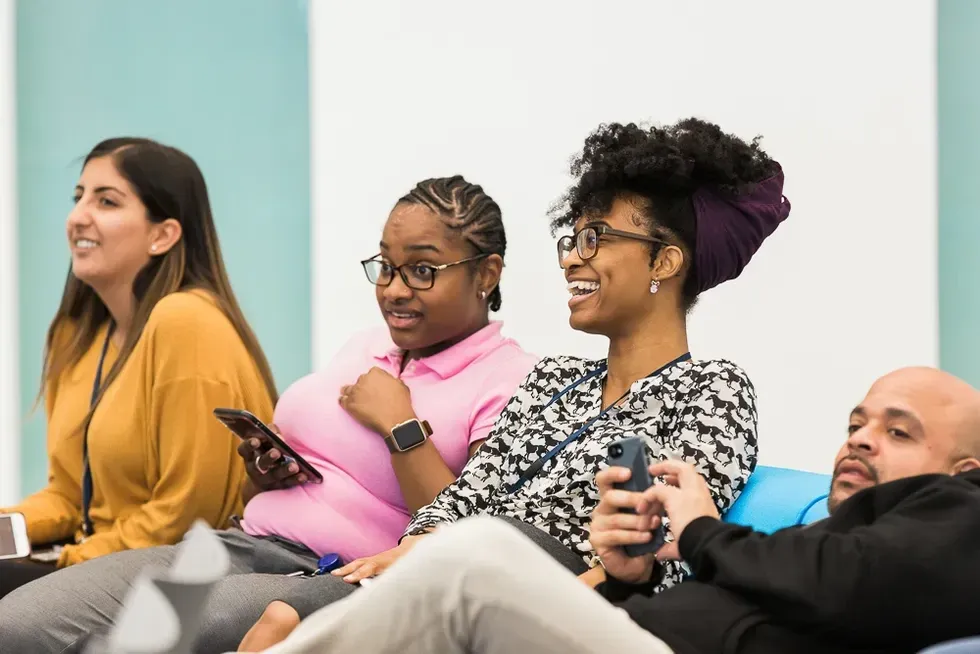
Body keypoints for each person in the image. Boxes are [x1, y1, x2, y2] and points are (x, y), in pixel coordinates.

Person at [237, 116, 790, 651]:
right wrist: (408, 552)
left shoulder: (713, 390)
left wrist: (530, 611)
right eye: (571, 240)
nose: (572, 258)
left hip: (562, 599)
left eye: (595, 238)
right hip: (453, 572)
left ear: (664, 261)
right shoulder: (554, 379)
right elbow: (464, 497)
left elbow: (670, 553)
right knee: (280, 618)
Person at [0, 175, 538, 654]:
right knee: (17, 625)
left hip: (331, 578)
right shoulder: (364, 346)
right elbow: (277, 493)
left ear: (487, 273)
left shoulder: (509, 378)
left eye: (422, 270)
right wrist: (266, 474)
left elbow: (470, 538)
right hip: (239, 544)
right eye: (386, 267)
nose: (395, 290)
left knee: (129, 641)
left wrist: (401, 428)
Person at [240, 367, 980, 654]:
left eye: (897, 430)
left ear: (963, 470)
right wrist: (625, 576)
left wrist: (696, 529)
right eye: (857, 422)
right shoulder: (833, 531)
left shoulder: (960, 516)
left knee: (477, 559)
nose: (860, 439)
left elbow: (841, 583)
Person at [0, 138, 277, 598]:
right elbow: (70, 498)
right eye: (79, 197)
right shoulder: (79, 336)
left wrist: (67, 560)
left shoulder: (187, 321)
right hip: (102, 564)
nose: (78, 217)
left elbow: (187, 518)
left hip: (181, 583)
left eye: (106, 201)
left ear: (162, 235)